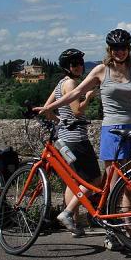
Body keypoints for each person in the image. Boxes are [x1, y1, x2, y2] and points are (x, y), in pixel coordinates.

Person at [36, 29, 131, 249]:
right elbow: (74, 93)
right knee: (112, 185)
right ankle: (112, 233)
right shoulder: (100, 71)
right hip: (111, 130)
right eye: (116, 48)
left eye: (123, 48)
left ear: (129, 49)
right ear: (110, 50)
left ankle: (130, 231)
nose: (120, 51)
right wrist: (49, 107)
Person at [43, 49, 101, 238]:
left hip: (64, 138)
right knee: (94, 180)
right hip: (77, 139)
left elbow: (47, 109)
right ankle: (68, 213)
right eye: (74, 64)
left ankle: (74, 224)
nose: (79, 66)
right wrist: (90, 96)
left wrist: (60, 121)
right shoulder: (71, 83)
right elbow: (77, 111)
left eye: (80, 63)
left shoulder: (61, 83)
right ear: (67, 67)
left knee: (73, 180)